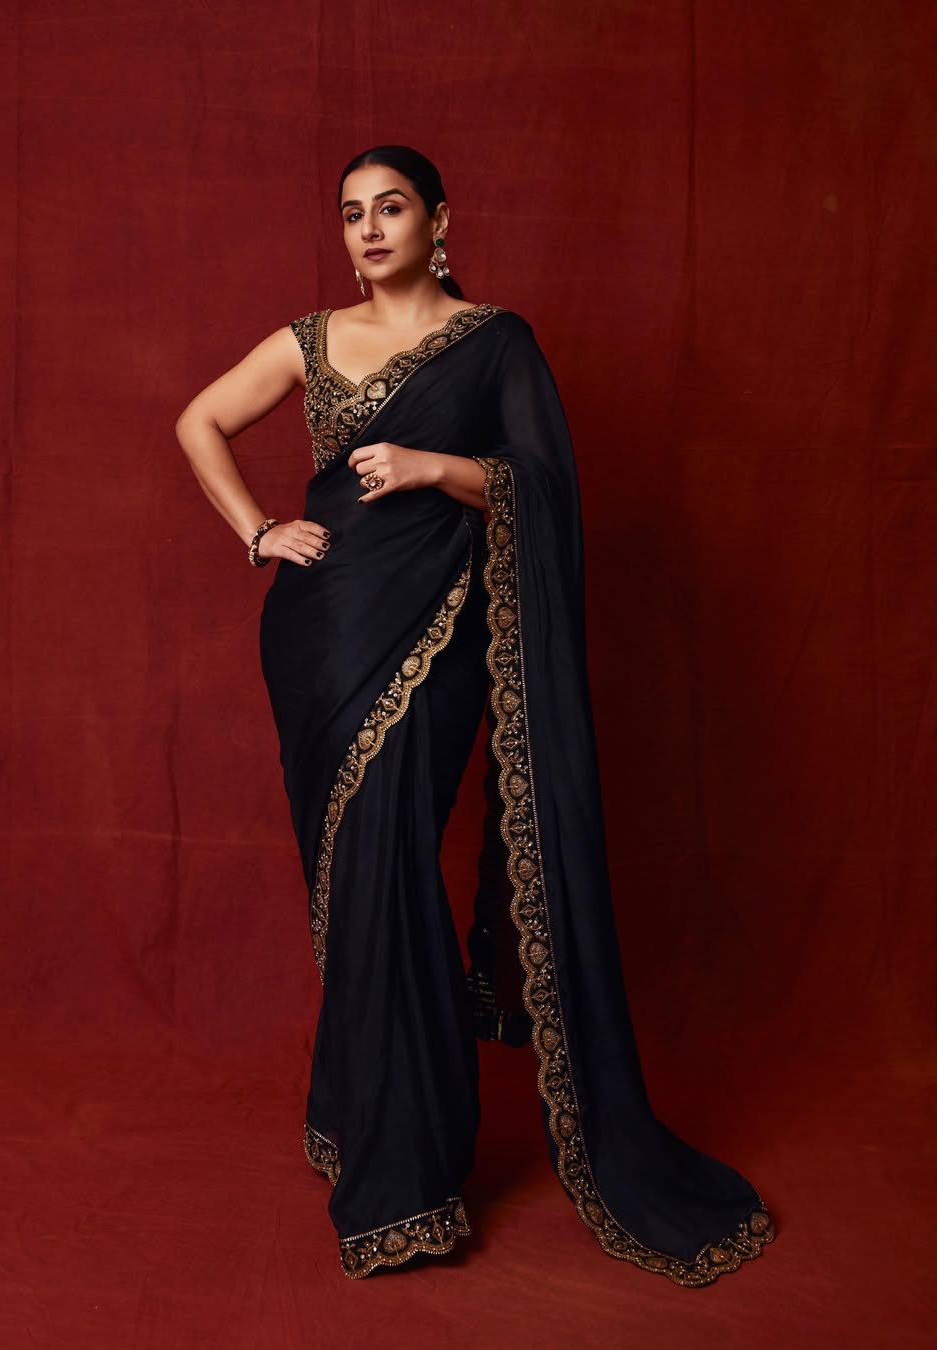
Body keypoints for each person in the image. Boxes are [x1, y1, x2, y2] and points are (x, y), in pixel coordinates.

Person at [174, 145, 776, 1284]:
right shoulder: (309, 340)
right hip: (315, 640)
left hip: (434, 638)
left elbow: (545, 488)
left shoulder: (496, 342)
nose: (368, 230)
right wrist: (259, 532)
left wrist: (433, 467)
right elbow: (198, 420)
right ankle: (358, 1112)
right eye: (351, 213)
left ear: (438, 221)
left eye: (390, 208)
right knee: (350, 884)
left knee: (394, 866)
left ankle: (406, 1174)